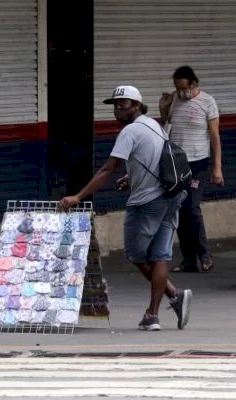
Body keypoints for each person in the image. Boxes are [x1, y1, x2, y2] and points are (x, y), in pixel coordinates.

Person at [59, 85, 192, 331]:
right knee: (160, 254)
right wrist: (131, 178)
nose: (119, 108)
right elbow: (157, 158)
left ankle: (169, 298)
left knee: (136, 254)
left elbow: (108, 169)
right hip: (171, 195)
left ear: (138, 105)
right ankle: (157, 310)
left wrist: (78, 196)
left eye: (125, 103)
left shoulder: (130, 132)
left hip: (147, 202)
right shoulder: (154, 124)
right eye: (116, 104)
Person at [159, 66, 224, 273]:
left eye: (184, 88)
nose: (181, 92)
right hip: (176, 163)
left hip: (197, 163)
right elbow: (165, 126)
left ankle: (204, 255)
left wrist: (217, 168)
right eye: (177, 88)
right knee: (178, 208)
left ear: (194, 84)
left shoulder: (208, 102)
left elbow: (215, 137)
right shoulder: (175, 100)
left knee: (192, 208)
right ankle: (188, 260)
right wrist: (164, 107)